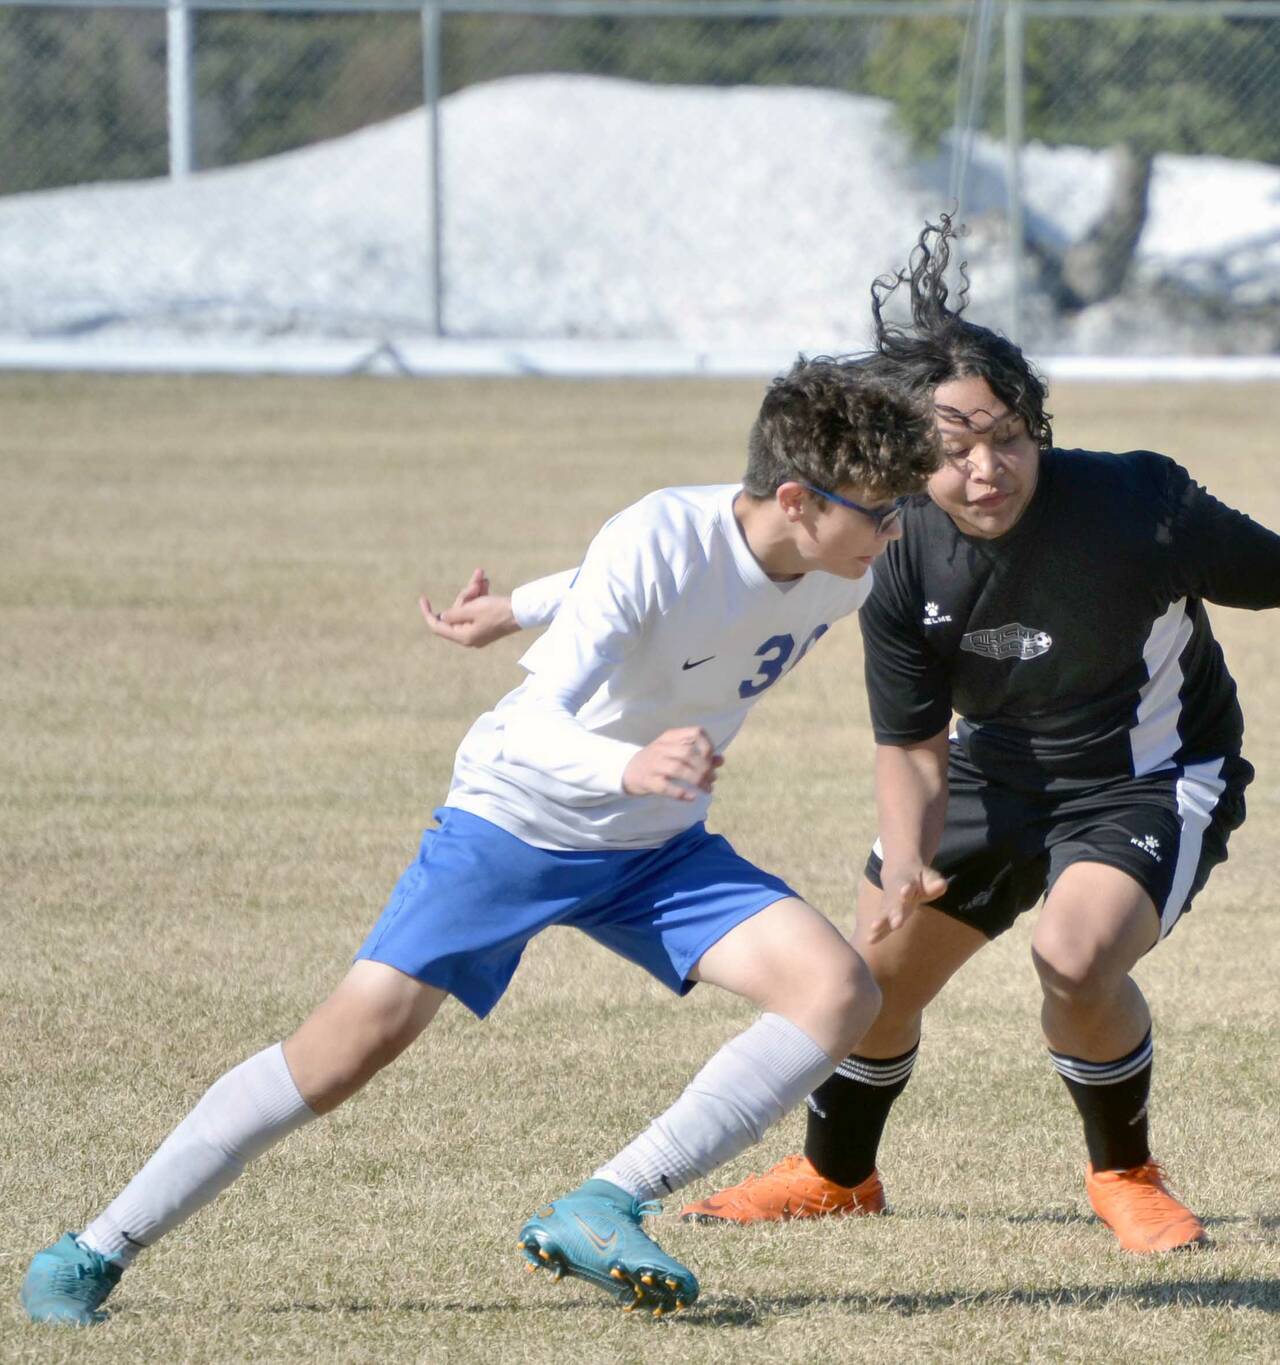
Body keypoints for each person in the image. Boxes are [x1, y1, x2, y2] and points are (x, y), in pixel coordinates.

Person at [472, 220, 1280, 1254]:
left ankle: (1122, 1174)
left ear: (1037, 429)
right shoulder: (892, 551)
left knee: (1074, 952)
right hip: (991, 771)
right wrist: (903, 857)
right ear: (908, 460)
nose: (984, 470)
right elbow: (904, 737)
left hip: (1147, 774)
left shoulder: (1137, 507)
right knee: (874, 974)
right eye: (951, 452)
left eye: (1005, 439)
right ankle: (837, 1176)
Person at [18, 358, 941, 1327]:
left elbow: (612, 588)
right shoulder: (660, 533)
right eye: (879, 512)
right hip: (517, 819)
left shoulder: (837, 566)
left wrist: (518, 606)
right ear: (796, 499)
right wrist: (622, 767)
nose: (892, 534)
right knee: (345, 1050)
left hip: (655, 844)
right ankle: (92, 1250)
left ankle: (604, 1203)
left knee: (838, 991)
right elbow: (536, 721)